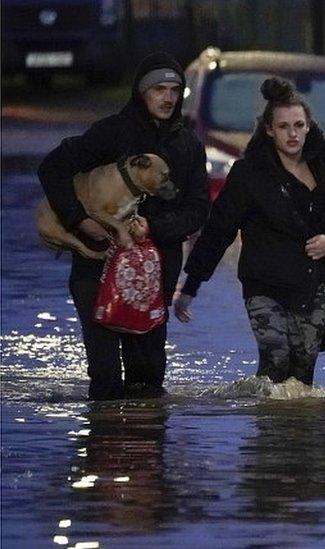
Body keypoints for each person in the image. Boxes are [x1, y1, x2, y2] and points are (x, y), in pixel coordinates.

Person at [37, 52, 210, 400]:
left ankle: (144, 451)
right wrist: (79, 220)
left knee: (146, 379)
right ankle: (101, 448)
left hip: (155, 268)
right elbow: (52, 168)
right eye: (159, 89)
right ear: (142, 92)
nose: (168, 97)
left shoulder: (188, 145)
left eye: (174, 90)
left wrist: (153, 227)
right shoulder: (111, 132)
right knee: (105, 377)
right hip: (96, 266)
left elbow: (198, 209)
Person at [173, 77, 325, 386]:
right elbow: (218, 230)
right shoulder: (249, 175)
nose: (292, 133)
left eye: (298, 125)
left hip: (312, 283)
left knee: (302, 369)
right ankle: (268, 429)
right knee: (276, 360)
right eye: (283, 127)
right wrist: (190, 286)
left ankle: (300, 432)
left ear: (309, 126)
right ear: (269, 130)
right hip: (264, 285)